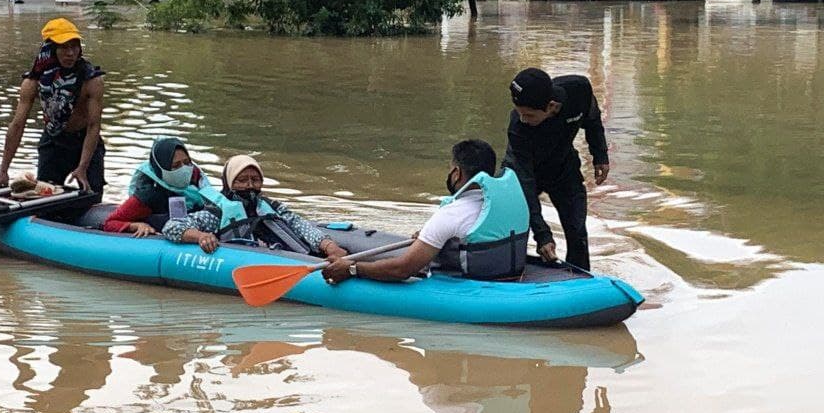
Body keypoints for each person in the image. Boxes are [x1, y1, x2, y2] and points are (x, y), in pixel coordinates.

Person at [322, 139, 528, 285]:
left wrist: (352, 268)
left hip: (466, 286)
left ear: (456, 173)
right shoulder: (513, 202)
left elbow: (402, 270)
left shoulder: (451, 214)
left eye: (451, 168)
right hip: (509, 274)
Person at [502, 68, 609, 271]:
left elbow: (593, 119)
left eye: (529, 115)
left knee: (577, 231)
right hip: (523, 172)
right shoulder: (518, 127)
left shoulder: (579, 90)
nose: (523, 119)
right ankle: (511, 274)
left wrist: (600, 156)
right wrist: (543, 235)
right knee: (514, 227)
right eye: (519, 112)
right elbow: (525, 182)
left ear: (551, 106)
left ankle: (580, 280)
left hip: (563, 167)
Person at [0, 18, 106, 197]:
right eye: (64, 47)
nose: (70, 53)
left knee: (91, 197)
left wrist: (82, 166)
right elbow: (17, 125)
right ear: (51, 49)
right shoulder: (33, 82)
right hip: (53, 141)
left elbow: (94, 126)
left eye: (74, 46)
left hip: (85, 142)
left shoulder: (91, 80)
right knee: (46, 195)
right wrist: (3, 170)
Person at [161, 155, 348, 258]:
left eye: (255, 180)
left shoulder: (270, 206)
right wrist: (201, 236)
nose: (250, 185)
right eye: (242, 180)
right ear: (229, 183)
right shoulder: (217, 213)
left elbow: (300, 225)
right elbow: (172, 226)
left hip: (290, 256)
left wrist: (329, 246)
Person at [103, 137, 210, 236]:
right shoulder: (149, 195)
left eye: (187, 162)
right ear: (161, 168)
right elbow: (110, 223)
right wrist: (136, 226)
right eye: (175, 166)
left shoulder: (197, 181)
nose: (184, 169)